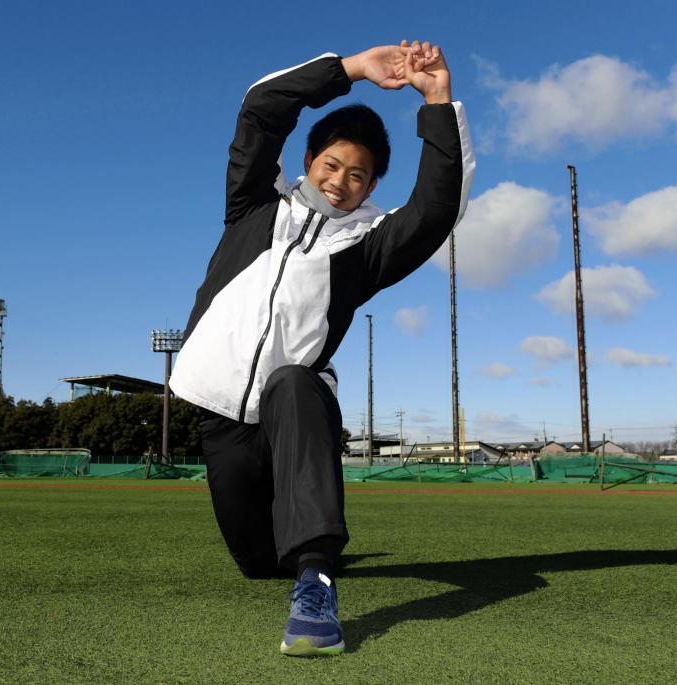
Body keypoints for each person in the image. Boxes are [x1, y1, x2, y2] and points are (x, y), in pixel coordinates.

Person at [170, 39, 474, 656]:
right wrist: (355, 70)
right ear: (309, 160)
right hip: (223, 415)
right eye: (331, 165)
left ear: (371, 186)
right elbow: (260, 109)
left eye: (357, 175)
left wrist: (436, 98)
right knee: (257, 563)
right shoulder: (253, 206)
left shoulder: (365, 248)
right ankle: (294, 552)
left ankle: (317, 579)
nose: (340, 182)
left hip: (297, 411)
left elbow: (437, 207)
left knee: (294, 380)